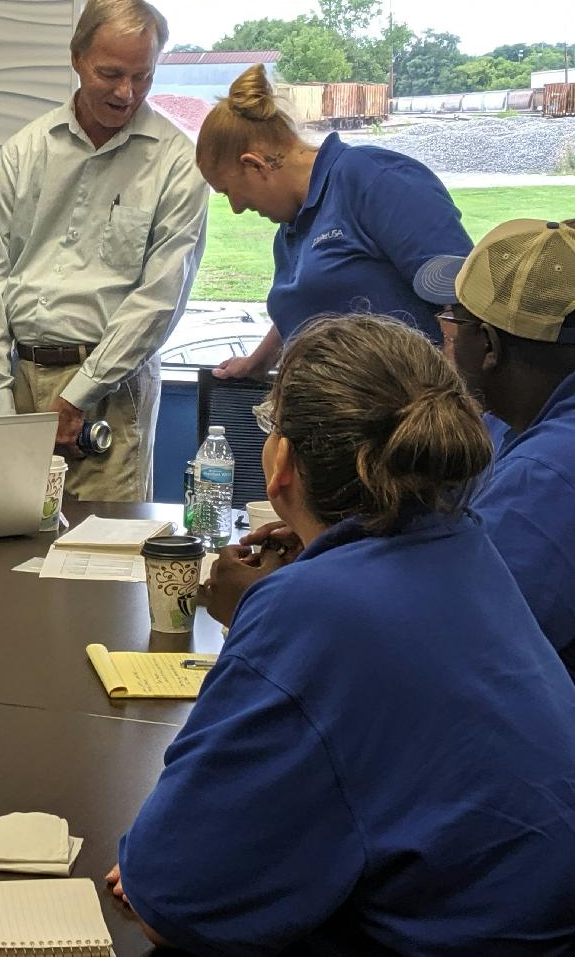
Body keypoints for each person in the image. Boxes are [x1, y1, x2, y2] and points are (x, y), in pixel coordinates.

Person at [109, 314, 575, 953]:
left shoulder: (310, 608)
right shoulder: (467, 546)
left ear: (281, 465)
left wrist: (273, 605)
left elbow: (171, 900)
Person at [0, 0, 207, 500]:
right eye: (111, 74)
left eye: (143, 76)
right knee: (11, 549)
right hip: (21, 382)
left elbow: (159, 299)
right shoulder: (25, 152)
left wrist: (77, 398)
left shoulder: (176, 162)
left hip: (109, 391)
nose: (127, 92)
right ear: (77, 58)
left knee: (103, 558)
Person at [200, 64, 472, 381]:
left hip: (405, 411)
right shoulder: (291, 230)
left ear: (255, 166)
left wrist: (448, 400)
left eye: (229, 191)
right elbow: (313, 305)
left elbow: (465, 299)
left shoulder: (372, 178)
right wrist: (258, 362)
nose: (235, 207)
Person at [413, 218, 575, 678]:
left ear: (488, 344)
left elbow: (446, 647)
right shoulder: (515, 423)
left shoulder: (548, 475)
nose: (447, 337)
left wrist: (278, 599)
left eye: (453, 319)